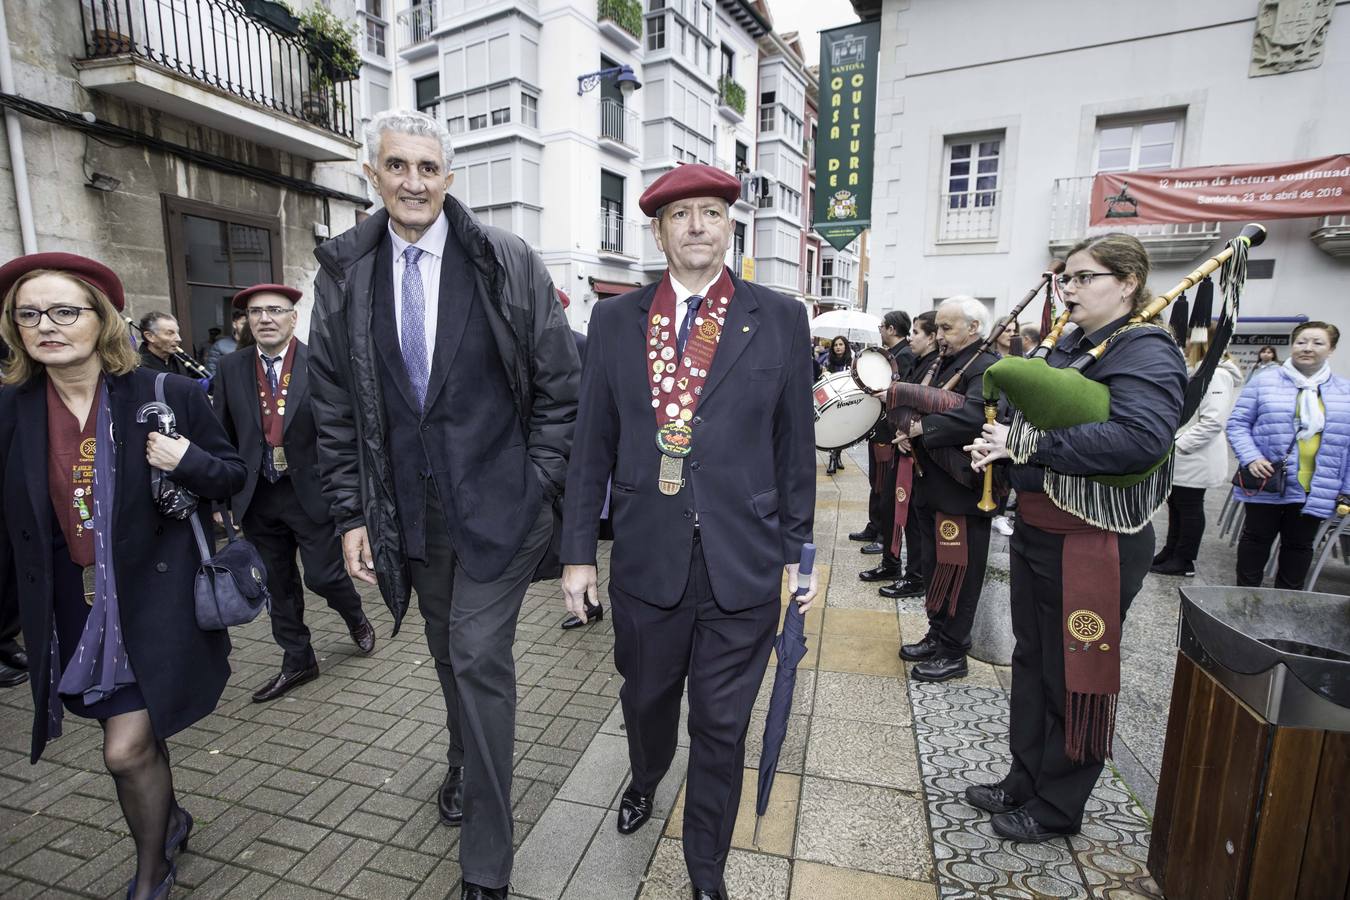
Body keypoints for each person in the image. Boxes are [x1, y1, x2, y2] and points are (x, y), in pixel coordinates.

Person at [307, 109, 578, 900]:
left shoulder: (505, 259)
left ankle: (487, 866)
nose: (414, 182)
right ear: (374, 175)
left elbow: (561, 387)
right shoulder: (346, 271)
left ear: (449, 178)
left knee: (480, 662)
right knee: (443, 655)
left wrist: (538, 481)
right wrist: (354, 514)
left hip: (501, 512)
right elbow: (333, 404)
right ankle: (461, 759)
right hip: (409, 522)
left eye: (429, 168)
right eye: (398, 167)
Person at [559, 163, 817, 900]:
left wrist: (801, 554)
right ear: (659, 231)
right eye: (680, 216)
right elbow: (590, 448)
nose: (696, 226)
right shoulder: (614, 322)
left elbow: (795, 447)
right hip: (648, 556)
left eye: (710, 212)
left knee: (722, 727)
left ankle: (707, 870)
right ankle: (644, 774)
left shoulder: (777, 317)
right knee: (646, 700)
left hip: (744, 559)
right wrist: (578, 554)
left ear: (729, 223)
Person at [0, 252, 247, 898]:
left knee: (124, 749)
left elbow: (230, 475)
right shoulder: (11, 409)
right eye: (28, 314)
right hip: (73, 609)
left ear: (101, 319)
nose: (45, 325)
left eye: (63, 311)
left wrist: (187, 457)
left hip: (152, 600)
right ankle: (168, 815)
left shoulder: (166, 394)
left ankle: (151, 871)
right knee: (136, 739)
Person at [964, 233, 1186, 842]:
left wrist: (1026, 446)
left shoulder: (1146, 351)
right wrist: (1001, 443)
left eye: (1085, 277)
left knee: (1075, 673)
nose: (1069, 288)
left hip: (1097, 543)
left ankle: (1059, 804)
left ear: (1128, 283)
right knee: (1032, 662)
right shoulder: (1073, 346)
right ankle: (1025, 776)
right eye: (1067, 279)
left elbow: (1140, 440)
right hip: (1042, 527)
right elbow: (1034, 421)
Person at [213, 283, 377, 702]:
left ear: (292, 317)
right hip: (257, 497)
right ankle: (298, 659)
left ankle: (355, 615)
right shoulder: (231, 368)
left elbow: (347, 432)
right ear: (246, 321)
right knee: (277, 584)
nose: (264, 319)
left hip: (312, 494)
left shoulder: (321, 363)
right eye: (255, 313)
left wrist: (354, 495)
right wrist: (221, 499)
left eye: (274, 311)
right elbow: (222, 435)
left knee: (322, 576)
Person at [896, 296, 998, 683]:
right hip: (932, 485)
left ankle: (955, 651)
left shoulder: (986, 367)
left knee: (958, 574)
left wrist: (923, 429)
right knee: (937, 568)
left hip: (962, 492)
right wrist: (908, 431)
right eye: (937, 328)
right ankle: (938, 634)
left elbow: (973, 415)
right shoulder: (945, 363)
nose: (939, 335)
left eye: (946, 328)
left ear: (973, 328)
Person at [1227, 322, 1348, 589]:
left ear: (1331, 349)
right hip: (1269, 479)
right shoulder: (1264, 382)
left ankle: (1286, 606)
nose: (1307, 348)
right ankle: (1244, 601)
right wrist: (1251, 457)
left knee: (1299, 547)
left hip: (1317, 486)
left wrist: (1346, 488)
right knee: (1256, 541)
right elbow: (1237, 424)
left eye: (1318, 343)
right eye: (1302, 341)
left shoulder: (1344, 391)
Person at [1151, 334, 1242, 577]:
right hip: (1182, 456)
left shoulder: (1217, 374)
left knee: (1189, 506)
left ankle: (1184, 559)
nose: (1187, 344)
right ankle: (1170, 550)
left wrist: (1175, 446)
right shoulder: (1197, 371)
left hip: (1195, 456)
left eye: (1191, 339)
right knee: (1176, 504)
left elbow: (1212, 422)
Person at [880, 310, 937, 600]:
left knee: (914, 521)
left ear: (932, 337)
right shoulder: (919, 362)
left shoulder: (934, 366)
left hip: (919, 454)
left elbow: (929, 407)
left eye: (917, 332)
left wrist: (910, 430)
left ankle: (915, 576)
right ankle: (900, 567)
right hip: (905, 445)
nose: (911, 337)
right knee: (900, 511)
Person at [855, 310, 916, 562]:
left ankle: (883, 535)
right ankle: (874, 526)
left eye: (882, 326)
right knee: (876, 482)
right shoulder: (891, 355)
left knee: (885, 485)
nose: (880, 330)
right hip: (881, 428)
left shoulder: (903, 357)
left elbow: (899, 392)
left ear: (891, 329)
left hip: (890, 430)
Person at [819, 335, 853, 475]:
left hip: (846, 400)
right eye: (835, 345)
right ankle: (833, 459)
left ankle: (838, 456)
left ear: (845, 346)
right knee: (834, 430)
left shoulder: (852, 362)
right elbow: (821, 380)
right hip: (832, 401)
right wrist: (824, 373)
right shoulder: (827, 361)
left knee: (843, 430)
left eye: (841, 344)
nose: (838, 347)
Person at [136, 311, 191, 377]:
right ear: (150, 336)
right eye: (170, 333)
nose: (179, 339)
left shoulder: (182, 359)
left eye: (177, 333)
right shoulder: (138, 368)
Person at [203, 309, 245, 377]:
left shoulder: (258, 345)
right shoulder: (220, 346)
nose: (248, 327)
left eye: (250, 324)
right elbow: (211, 373)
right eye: (244, 324)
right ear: (234, 324)